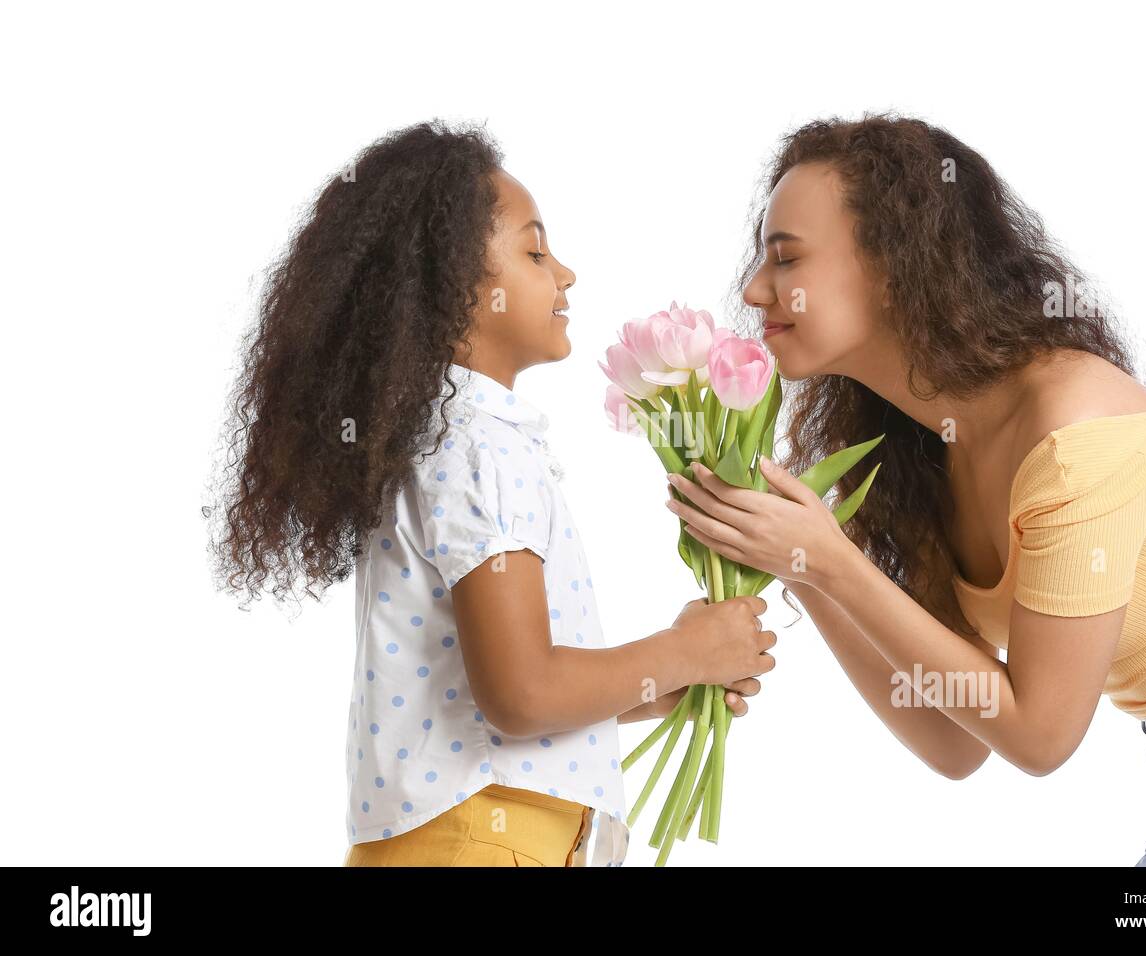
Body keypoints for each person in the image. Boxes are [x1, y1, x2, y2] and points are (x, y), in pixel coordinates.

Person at [663, 113, 1146, 865]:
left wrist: (829, 560)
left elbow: (1040, 736)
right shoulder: (924, 453)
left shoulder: (1074, 433)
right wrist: (803, 568)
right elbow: (956, 742)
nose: (754, 287)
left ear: (896, 266)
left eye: (787, 259)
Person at [209, 120, 774, 866]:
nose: (564, 273)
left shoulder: (451, 440)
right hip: (482, 842)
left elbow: (504, 694)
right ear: (449, 290)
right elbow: (521, 694)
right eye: (535, 251)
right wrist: (680, 650)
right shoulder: (479, 449)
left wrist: (665, 677)